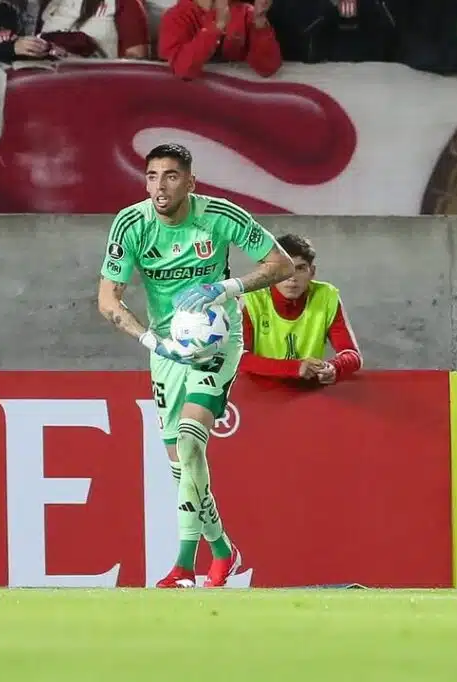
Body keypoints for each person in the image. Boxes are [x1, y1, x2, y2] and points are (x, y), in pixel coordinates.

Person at [96, 143, 294, 588]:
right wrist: (150, 339)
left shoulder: (220, 216)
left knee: (189, 443)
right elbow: (108, 298)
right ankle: (222, 548)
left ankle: (184, 566)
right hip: (166, 348)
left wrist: (225, 288)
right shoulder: (131, 224)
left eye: (170, 176)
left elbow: (279, 263)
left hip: (217, 343)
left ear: (190, 181)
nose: (159, 186)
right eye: (151, 176)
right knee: (179, 464)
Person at [240, 233, 362, 384]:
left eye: (300, 268)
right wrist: (294, 368)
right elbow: (238, 358)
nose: (292, 277)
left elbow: (352, 355)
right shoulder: (250, 298)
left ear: (312, 272)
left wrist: (333, 368)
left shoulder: (326, 296)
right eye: (284, 268)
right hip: (259, 393)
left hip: (308, 393)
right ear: (269, 273)